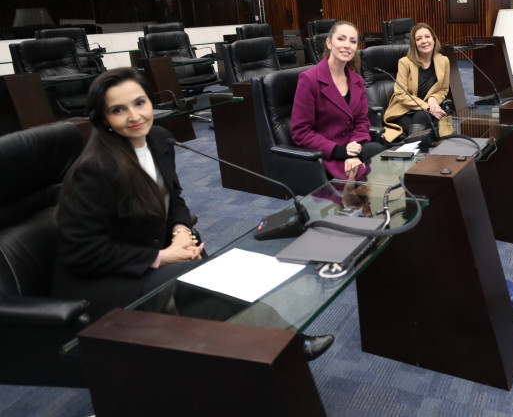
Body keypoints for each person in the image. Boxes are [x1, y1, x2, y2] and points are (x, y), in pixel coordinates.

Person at [52, 68, 333, 359]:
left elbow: (173, 199)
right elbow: (80, 252)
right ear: (104, 119)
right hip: (103, 281)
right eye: (118, 110)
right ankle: (286, 346)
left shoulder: (158, 139)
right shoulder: (94, 169)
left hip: (148, 251)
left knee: (216, 279)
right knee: (201, 279)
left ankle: (265, 349)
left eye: (140, 103)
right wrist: (162, 257)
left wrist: (180, 230)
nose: (135, 116)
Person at [292, 20, 385, 177]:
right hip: (328, 155)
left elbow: (362, 122)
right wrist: (340, 152)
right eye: (341, 39)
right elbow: (300, 132)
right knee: (365, 181)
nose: (347, 45)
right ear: (329, 43)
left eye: (353, 41)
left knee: (382, 158)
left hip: (354, 150)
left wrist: (354, 150)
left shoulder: (357, 81)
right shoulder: (309, 79)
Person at [381, 22, 451, 143]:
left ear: (434, 40)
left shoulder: (443, 61)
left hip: (425, 112)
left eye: (427, 36)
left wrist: (434, 98)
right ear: (415, 44)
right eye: (419, 39)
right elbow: (400, 94)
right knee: (428, 128)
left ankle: (415, 152)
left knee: (424, 119)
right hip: (403, 111)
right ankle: (421, 152)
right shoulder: (405, 62)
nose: (424, 41)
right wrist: (428, 107)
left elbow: (443, 89)